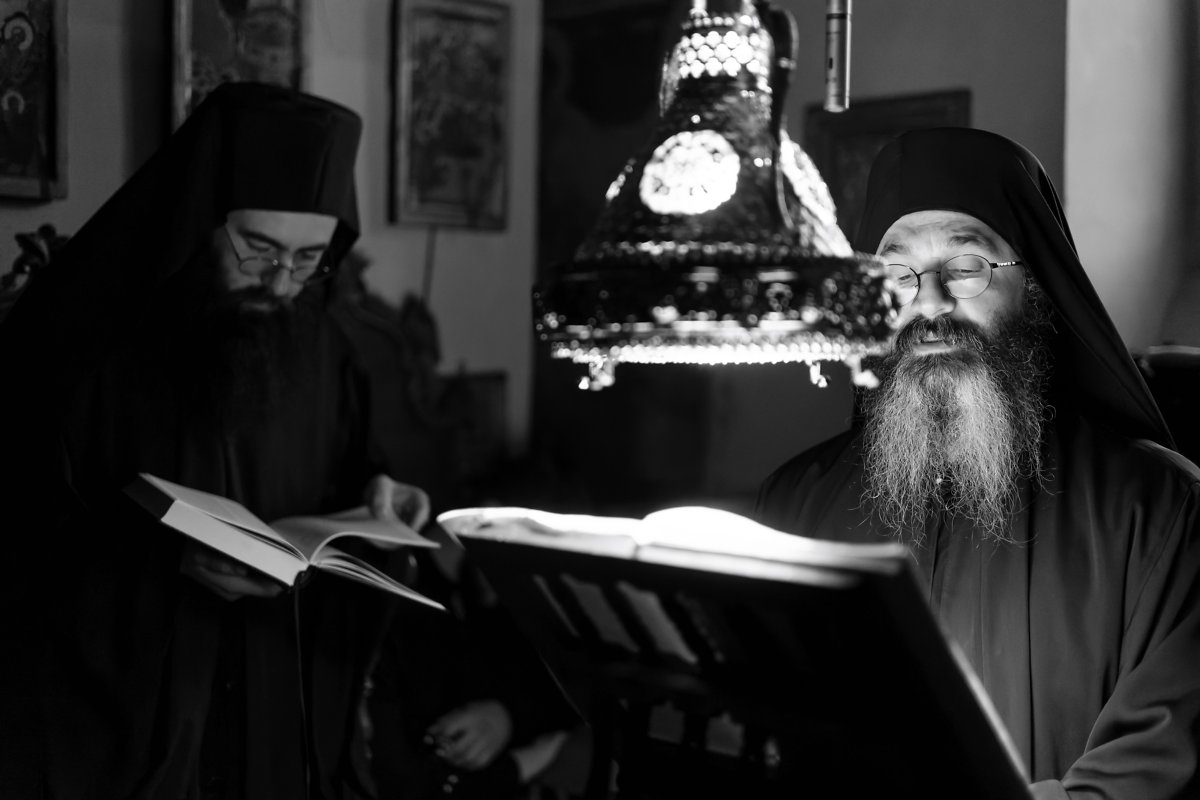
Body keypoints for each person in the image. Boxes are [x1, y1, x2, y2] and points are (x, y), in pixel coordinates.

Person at [0, 82, 433, 799]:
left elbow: (350, 462)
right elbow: (17, 525)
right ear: (201, 218)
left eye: (309, 258)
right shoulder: (81, 338)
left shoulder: (325, 346)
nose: (281, 282)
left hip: (275, 681)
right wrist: (159, 562)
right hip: (127, 708)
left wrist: (381, 494)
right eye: (258, 248)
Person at [756, 128, 1200, 799]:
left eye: (965, 268)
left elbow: (1151, 773)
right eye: (897, 275)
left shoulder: (1161, 511)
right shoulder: (793, 505)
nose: (929, 303)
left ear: (1037, 285)